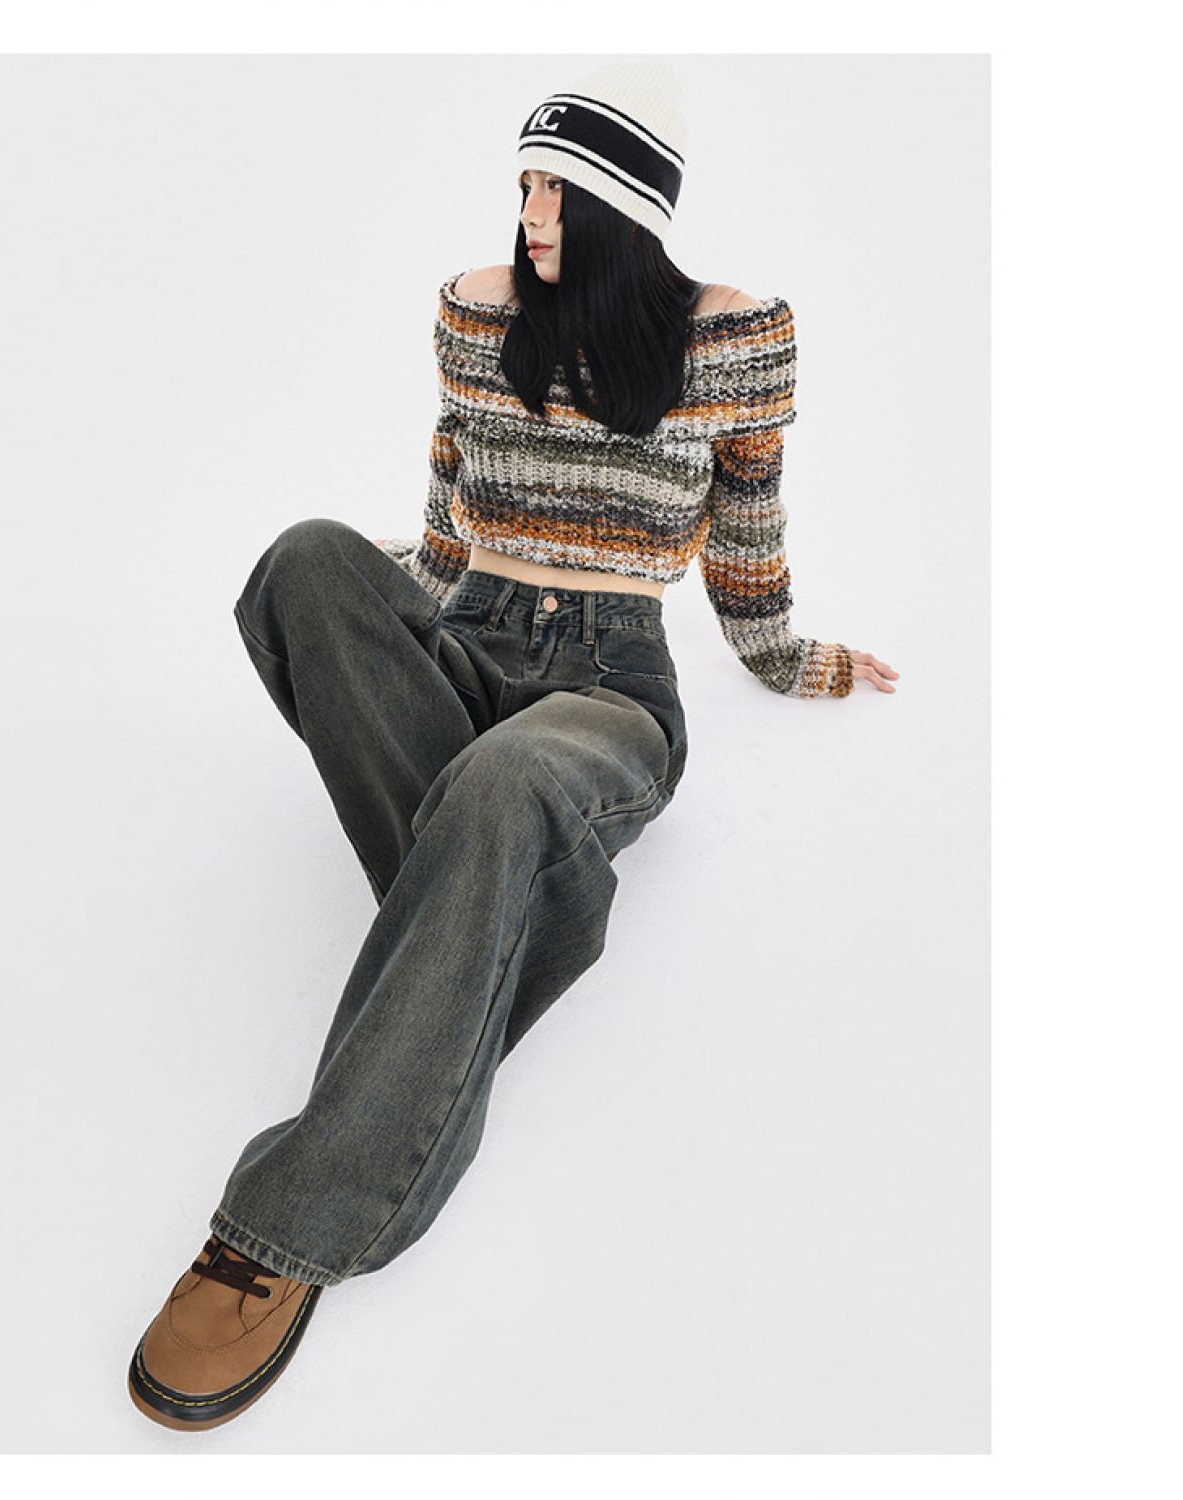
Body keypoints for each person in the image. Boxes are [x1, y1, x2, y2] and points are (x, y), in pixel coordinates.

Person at [128, 60, 898, 1432]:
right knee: (304, 559)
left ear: (623, 209)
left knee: (504, 782)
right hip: (472, 640)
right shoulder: (478, 313)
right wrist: (366, 610)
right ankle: (489, 909)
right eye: (526, 184)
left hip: (611, 691)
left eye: (556, 190)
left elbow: (748, 540)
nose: (531, 211)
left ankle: (290, 1225)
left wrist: (793, 660)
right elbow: (441, 520)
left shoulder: (738, 341)